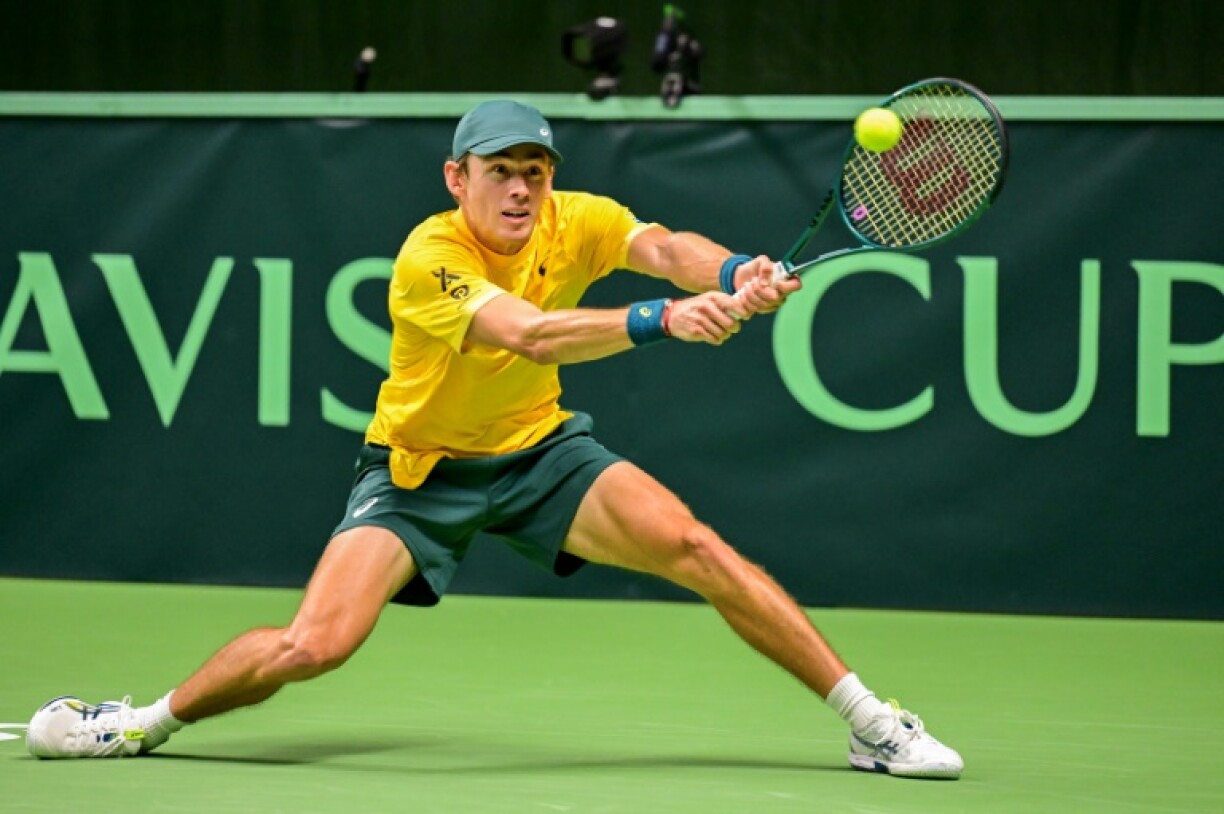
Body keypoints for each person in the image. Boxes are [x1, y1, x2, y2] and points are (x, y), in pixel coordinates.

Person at [26, 100, 962, 779]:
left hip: (541, 453)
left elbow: (665, 247)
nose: (520, 189)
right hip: (419, 474)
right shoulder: (429, 257)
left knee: (697, 548)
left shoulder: (574, 218)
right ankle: (139, 723)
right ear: (457, 177)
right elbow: (532, 334)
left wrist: (731, 273)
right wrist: (664, 321)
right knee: (312, 646)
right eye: (500, 171)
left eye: (534, 171)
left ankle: (871, 725)